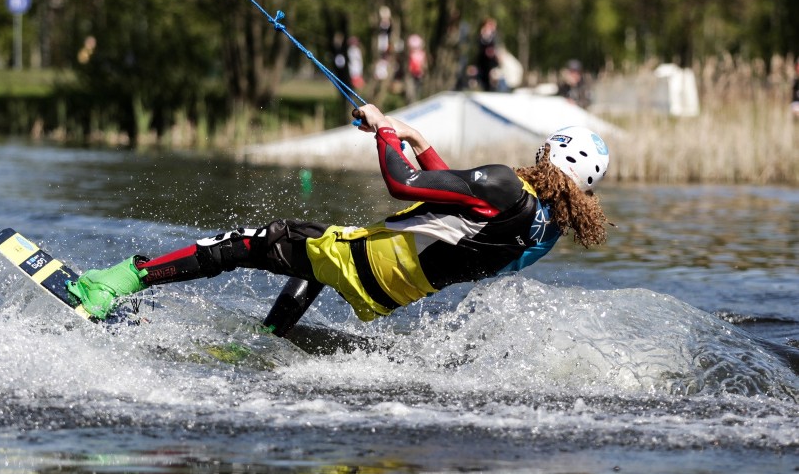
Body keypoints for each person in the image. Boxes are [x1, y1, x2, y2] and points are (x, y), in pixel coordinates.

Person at [66, 105, 610, 336]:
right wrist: (420, 140)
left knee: (248, 242)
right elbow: (461, 207)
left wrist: (385, 133)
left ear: (548, 155)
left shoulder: (506, 182)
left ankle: (114, 284)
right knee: (318, 258)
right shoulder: (544, 227)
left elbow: (405, 185)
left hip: (368, 257)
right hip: (390, 291)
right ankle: (271, 335)